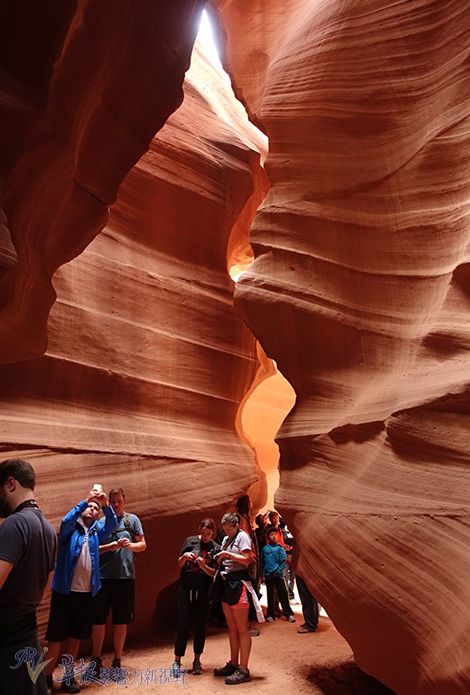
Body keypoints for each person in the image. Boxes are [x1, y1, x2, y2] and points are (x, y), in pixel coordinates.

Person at [44, 490, 117, 694]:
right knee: (55, 638)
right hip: (64, 593)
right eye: (90, 507)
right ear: (83, 509)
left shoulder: (97, 532)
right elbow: (67, 519)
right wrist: (85, 500)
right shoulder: (70, 529)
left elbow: (112, 524)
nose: (93, 509)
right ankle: (46, 678)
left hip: (85, 594)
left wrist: (105, 505)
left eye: (96, 509)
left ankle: (68, 677)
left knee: (75, 637)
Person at [0, 458, 57, 695]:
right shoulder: (48, 528)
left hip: (5, 640)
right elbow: (48, 584)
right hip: (28, 634)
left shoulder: (14, 524)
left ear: (11, 484)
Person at [91, 488, 146, 673]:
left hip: (125, 577)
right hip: (103, 577)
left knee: (120, 621)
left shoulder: (132, 521)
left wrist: (129, 545)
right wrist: (110, 547)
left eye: (118, 501)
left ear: (124, 500)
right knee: (97, 620)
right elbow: (93, 549)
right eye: (112, 501)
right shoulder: (100, 522)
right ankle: (96, 659)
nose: (115, 504)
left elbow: (143, 545)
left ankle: (117, 660)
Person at [212, 513, 264, 685]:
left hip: (239, 583)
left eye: (228, 529)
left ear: (236, 526)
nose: (226, 532)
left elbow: (247, 560)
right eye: (224, 529)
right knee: (232, 626)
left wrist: (229, 554)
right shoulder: (227, 537)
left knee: (242, 627)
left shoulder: (242, 536)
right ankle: (234, 664)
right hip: (227, 582)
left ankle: (244, 669)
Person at [172, 518, 220, 676]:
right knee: (183, 623)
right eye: (203, 533)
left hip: (204, 590)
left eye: (208, 533)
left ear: (213, 533)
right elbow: (179, 564)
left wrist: (203, 566)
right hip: (186, 588)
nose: (205, 536)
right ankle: (177, 660)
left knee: (201, 625)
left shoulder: (215, 548)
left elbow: (214, 573)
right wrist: (185, 557)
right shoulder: (190, 541)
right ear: (199, 529)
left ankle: (197, 660)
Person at [235, 495, 260, 637]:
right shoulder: (242, 519)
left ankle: (245, 624)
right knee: (247, 595)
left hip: (248, 559)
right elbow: (245, 539)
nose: (251, 505)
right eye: (249, 502)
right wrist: (251, 557)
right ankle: (245, 626)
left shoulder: (243, 518)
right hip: (247, 560)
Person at [260, 527, 295, 623]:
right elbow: (262, 562)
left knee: (283, 593)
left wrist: (279, 570)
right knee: (270, 595)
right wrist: (261, 573)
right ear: (268, 537)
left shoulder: (280, 548)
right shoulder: (265, 549)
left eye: (275, 535)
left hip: (279, 575)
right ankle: (271, 614)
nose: (274, 537)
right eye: (271, 535)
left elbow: (283, 561)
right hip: (269, 575)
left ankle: (288, 614)